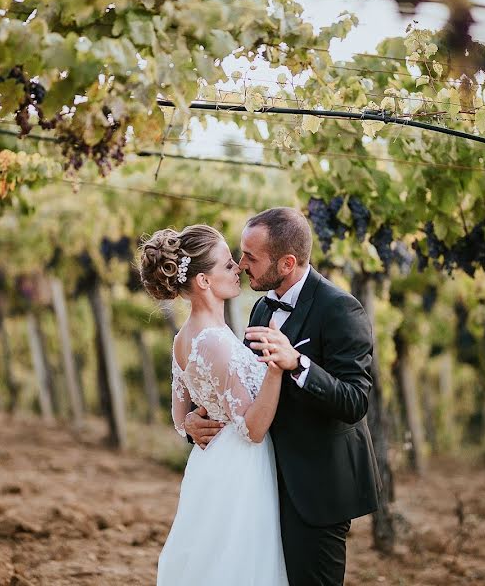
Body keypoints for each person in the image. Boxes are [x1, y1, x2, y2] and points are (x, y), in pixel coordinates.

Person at [184, 207, 381, 585]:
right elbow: (237, 384)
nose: (240, 265)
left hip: (316, 489)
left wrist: (299, 363)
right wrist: (194, 417)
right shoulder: (261, 306)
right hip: (262, 483)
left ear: (287, 262)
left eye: (251, 257)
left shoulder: (340, 309)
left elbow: (356, 401)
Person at [139, 224, 289, 586]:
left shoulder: (184, 337)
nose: (237, 267)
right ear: (204, 281)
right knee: (238, 565)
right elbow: (252, 429)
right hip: (241, 468)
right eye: (226, 265)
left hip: (210, 463)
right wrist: (276, 369)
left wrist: (191, 422)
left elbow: (179, 418)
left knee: (213, 561)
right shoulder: (214, 342)